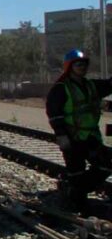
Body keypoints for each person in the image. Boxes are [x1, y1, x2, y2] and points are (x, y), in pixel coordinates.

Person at [46, 49, 112, 211]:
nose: (82, 67)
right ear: (70, 66)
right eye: (78, 64)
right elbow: (54, 113)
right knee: (76, 172)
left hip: (91, 136)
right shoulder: (61, 88)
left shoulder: (91, 85)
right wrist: (61, 135)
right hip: (72, 136)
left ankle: (73, 190)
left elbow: (110, 85)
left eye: (84, 64)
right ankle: (77, 199)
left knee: (106, 164)